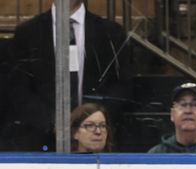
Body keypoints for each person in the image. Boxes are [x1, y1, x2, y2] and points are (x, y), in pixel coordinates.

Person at [4, 0, 132, 151]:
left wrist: (92, 120)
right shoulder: (27, 32)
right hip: (42, 140)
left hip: (96, 143)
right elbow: (19, 88)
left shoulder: (111, 31)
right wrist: (52, 123)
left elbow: (122, 84)